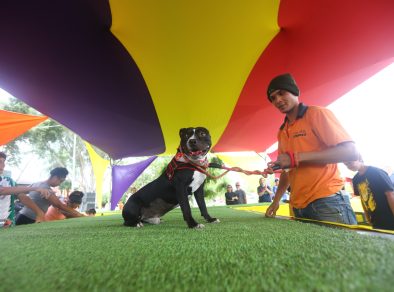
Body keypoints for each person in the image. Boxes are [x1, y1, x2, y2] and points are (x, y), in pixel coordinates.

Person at [264, 73, 358, 225]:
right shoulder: (282, 131)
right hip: (297, 206)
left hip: (327, 201)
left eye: (282, 93)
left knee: (346, 250)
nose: (278, 100)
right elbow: (287, 172)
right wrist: (276, 201)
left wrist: (297, 157)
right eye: (273, 98)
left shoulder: (317, 114)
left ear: (294, 91)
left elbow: (351, 152)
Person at [16, 167, 85, 225]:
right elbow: (59, 205)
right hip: (27, 218)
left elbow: (20, 192)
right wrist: (79, 214)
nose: (60, 184)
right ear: (55, 177)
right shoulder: (45, 188)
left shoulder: (37, 184)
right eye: (60, 181)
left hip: (23, 215)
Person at [0, 151, 52, 227]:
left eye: (3, 162)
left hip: (7, 224)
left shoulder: (9, 181)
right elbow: (2, 190)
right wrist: (36, 188)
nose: (3, 165)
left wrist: (39, 212)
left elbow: (21, 195)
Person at [344, 156, 394, 230]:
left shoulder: (376, 172)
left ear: (359, 159)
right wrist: (367, 216)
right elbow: (362, 198)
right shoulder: (355, 179)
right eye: (346, 165)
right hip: (375, 219)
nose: (349, 166)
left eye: (350, 163)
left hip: (389, 216)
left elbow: (390, 194)